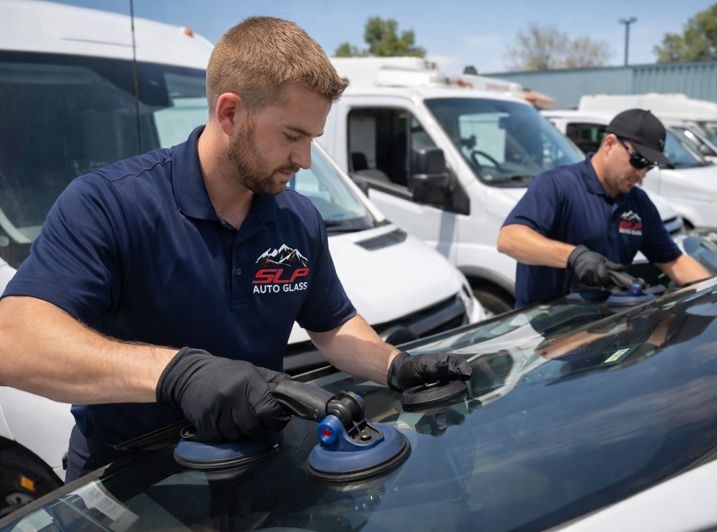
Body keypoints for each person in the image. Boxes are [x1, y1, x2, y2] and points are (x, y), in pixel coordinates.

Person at [0, 17, 470, 482]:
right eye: (292, 136)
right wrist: (178, 374)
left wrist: (397, 366)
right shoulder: (110, 204)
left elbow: (333, 325)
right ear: (229, 113)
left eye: (312, 139)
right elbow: (13, 343)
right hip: (131, 477)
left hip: (256, 462)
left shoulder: (297, 218)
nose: (304, 160)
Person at [497, 108, 709, 307]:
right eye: (638, 161)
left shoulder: (639, 204)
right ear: (609, 144)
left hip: (604, 329)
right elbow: (509, 238)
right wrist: (574, 256)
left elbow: (675, 262)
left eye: (649, 166)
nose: (642, 173)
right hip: (545, 330)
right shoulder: (557, 186)